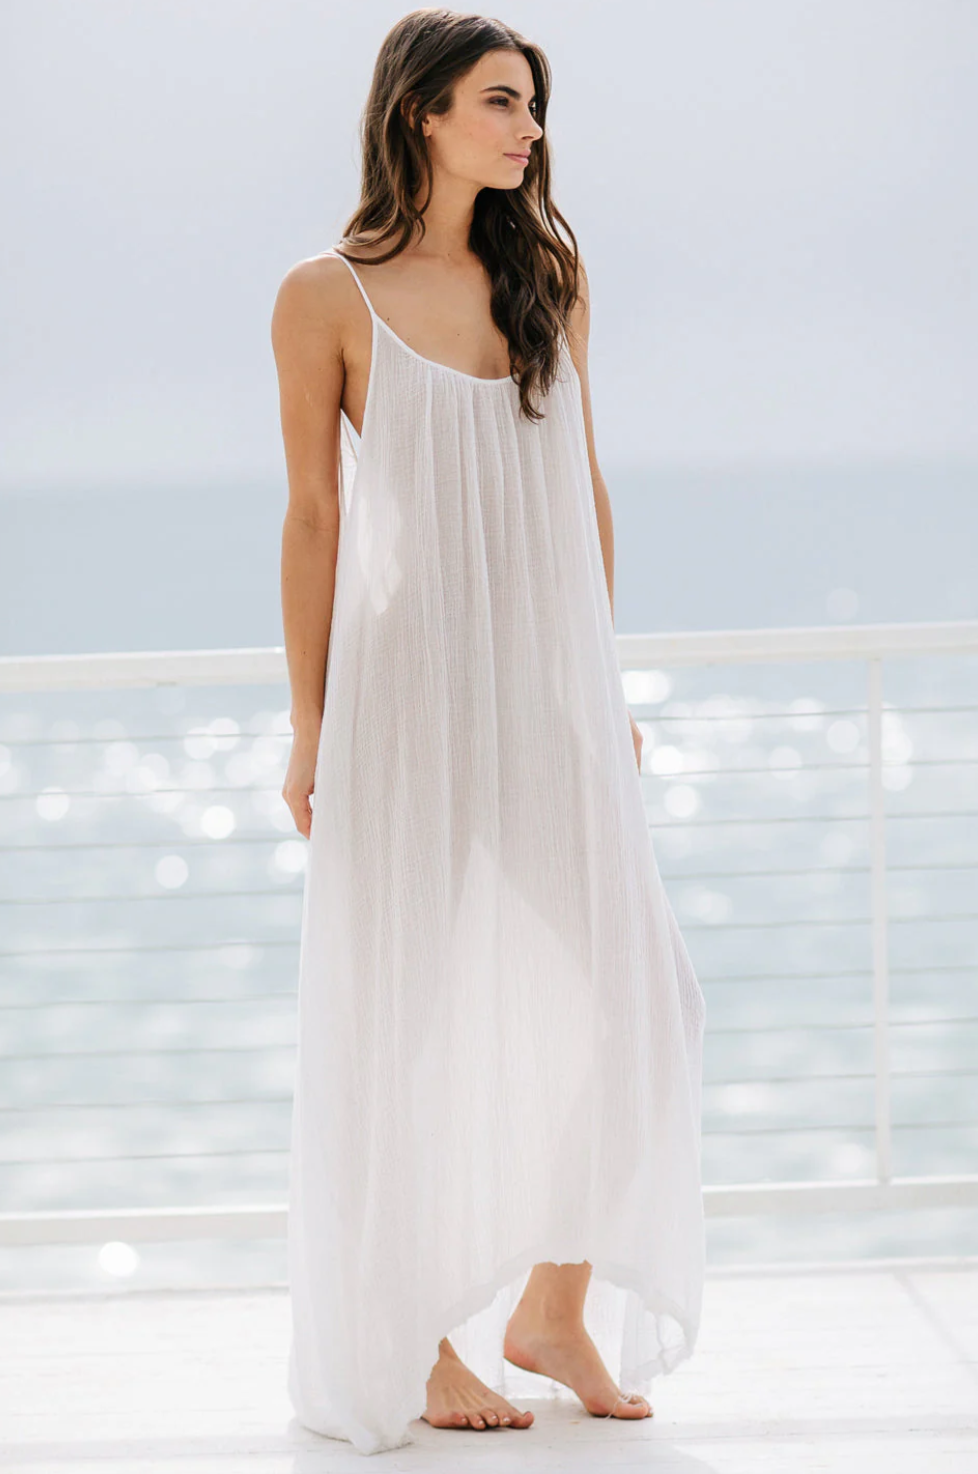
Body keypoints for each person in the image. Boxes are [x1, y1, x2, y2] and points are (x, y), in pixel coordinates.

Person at [271, 7, 707, 1457]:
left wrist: (603, 687)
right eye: (500, 102)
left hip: (544, 692)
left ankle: (551, 1304)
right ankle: (418, 1337)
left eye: (532, 107)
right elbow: (316, 518)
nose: (527, 130)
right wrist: (308, 722)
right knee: (398, 1023)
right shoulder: (322, 296)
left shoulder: (551, 279)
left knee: (647, 994)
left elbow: (579, 491)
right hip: (402, 700)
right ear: (421, 115)